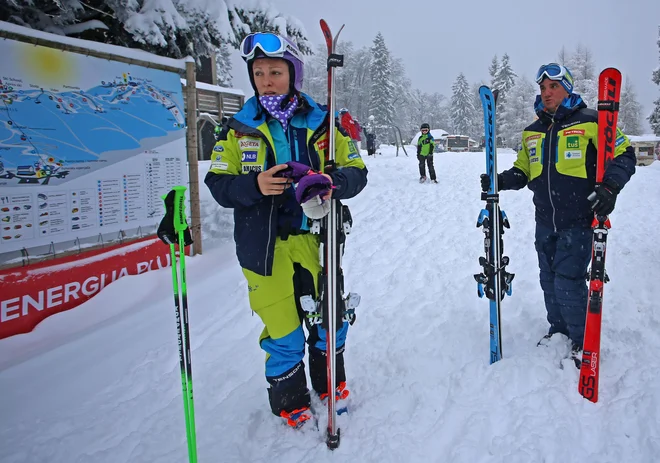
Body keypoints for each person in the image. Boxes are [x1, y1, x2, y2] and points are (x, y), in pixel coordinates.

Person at [204, 32, 368, 428]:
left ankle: (330, 384)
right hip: (263, 246)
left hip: (317, 239)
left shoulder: (323, 121)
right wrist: (254, 185)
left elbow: (357, 171)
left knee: (329, 316)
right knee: (283, 328)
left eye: (275, 71)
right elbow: (218, 183)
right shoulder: (238, 128)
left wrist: (333, 182)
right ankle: (290, 398)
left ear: (293, 74)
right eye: (258, 72)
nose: (266, 80)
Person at [480, 63, 635, 367]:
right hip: (544, 221)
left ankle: (581, 340)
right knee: (548, 280)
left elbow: (624, 153)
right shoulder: (532, 132)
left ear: (567, 87)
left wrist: (610, 187)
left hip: (579, 220)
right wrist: (501, 180)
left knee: (568, 282)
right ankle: (559, 330)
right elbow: (524, 170)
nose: (547, 93)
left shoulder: (592, 121)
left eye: (553, 87)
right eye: (542, 88)